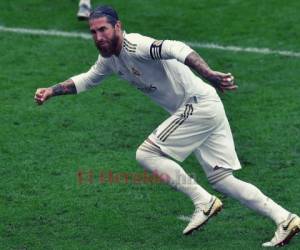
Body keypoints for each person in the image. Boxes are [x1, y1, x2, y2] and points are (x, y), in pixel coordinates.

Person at [34, 5, 300, 247]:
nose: (98, 37)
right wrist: (52, 90)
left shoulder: (135, 45)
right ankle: (285, 218)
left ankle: (203, 201)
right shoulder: (110, 60)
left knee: (146, 154)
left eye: (103, 29)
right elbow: (87, 79)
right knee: (223, 179)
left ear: (117, 26)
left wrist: (208, 73)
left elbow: (176, 47)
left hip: (197, 104)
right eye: (93, 32)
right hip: (206, 106)